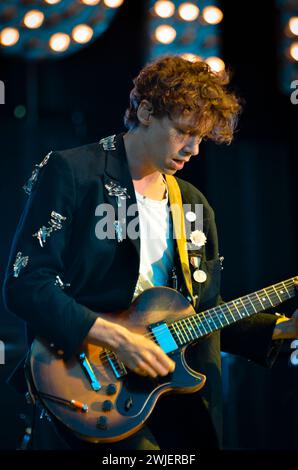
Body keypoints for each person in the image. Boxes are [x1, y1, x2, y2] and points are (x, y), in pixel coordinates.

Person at [3, 55, 298, 450]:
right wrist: (118, 339)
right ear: (144, 111)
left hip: (173, 397)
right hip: (85, 382)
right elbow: (26, 284)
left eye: (201, 137)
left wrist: (280, 329)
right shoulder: (74, 172)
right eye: (183, 132)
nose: (193, 149)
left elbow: (201, 314)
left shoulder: (193, 204)